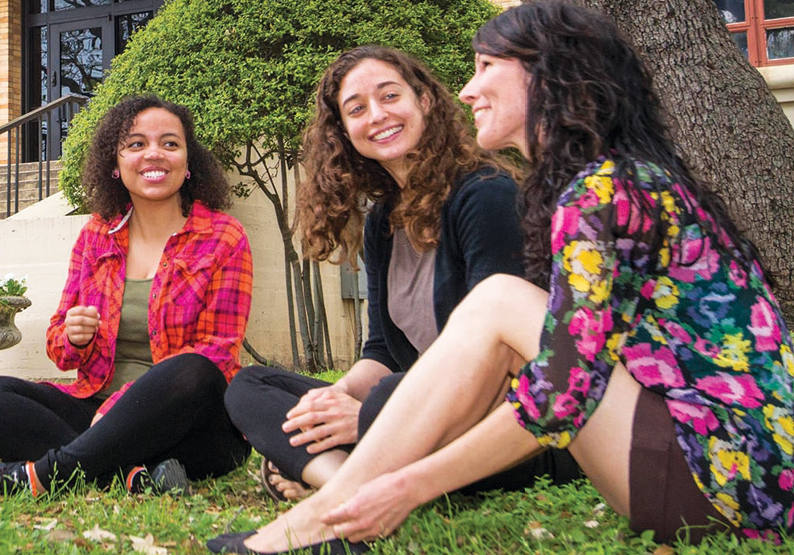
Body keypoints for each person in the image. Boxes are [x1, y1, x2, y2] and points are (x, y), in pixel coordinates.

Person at [206, 2, 794, 555]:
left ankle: (337, 510)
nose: (468, 89)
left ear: (546, 76)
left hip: (717, 485)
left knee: (495, 304)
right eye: (354, 108)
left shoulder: (602, 193)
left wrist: (403, 487)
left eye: (485, 67)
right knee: (263, 386)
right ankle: (342, 501)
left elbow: (556, 392)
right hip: (724, 479)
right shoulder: (607, 184)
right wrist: (338, 405)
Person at [223, 46, 575, 502]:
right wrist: (338, 398)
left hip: (508, 424)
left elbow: (500, 357)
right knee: (253, 385)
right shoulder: (383, 222)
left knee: (387, 395)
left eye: (390, 96)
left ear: (424, 100)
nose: (377, 116)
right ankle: (346, 486)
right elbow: (382, 351)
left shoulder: (485, 195)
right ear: (344, 132)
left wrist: (369, 412)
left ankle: (331, 475)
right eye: (357, 109)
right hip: (414, 410)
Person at [0, 96, 253, 496]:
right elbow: (59, 347)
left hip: (190, 423)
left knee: (193, 369)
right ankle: (129, 471)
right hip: (95, 405)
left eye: (170, 143)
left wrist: (119, 409)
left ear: (188, 160)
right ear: (116, 162)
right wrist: (73, 335)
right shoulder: (96, 235)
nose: (154, 154)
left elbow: (219, 353)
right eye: (136, 144)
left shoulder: (223, 238)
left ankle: (39, 476)